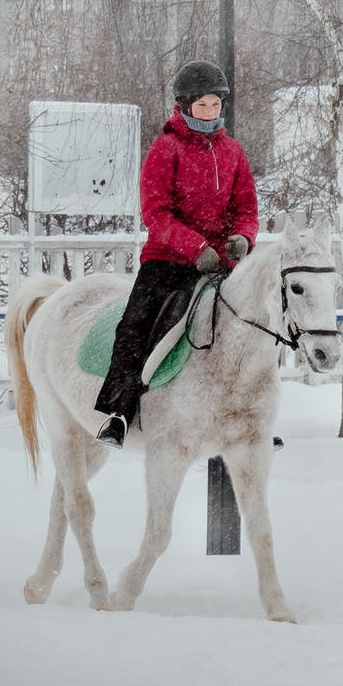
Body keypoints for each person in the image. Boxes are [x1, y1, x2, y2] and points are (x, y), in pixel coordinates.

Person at [92, 60, 262, 448]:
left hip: (220, 264)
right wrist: (195, 246)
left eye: (217, 105)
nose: (212, 113)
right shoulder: (165, 148)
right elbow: (156, 212)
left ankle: (249, 417)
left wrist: (244, 238)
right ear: (185, 106)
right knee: (136, 326)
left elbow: (246, 209)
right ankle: (119, 412)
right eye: (203, 106)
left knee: (252, 326)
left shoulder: (232, 152)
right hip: (167, 261)